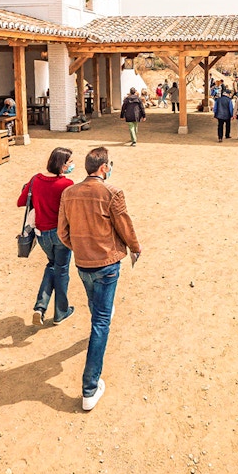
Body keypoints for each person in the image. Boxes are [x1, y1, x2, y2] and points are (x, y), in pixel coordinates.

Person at [57, 146, 141, 411]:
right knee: (101, 323)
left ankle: (102, 310)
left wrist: (78, 248)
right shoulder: (111, 193)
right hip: (107, 263)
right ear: (104, 167)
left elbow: (63, 231)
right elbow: (124, 225)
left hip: (83, 263)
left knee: (96, 305)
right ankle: (89, 387)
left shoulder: (68, 193)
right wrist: (135, 248)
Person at [17, 147, 75, 326]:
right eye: (70, 162)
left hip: (41, 234)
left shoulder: (35, 180)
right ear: (63, 165)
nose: (73, 165)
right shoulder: (66, 184)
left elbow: (21, 202)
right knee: (62, 270)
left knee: (52, 265)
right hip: (61, 234)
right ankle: (61, 312)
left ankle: (40, 308)